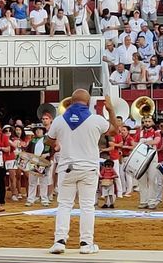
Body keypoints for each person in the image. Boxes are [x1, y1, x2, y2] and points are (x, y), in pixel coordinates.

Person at [47, 90, 117, 254]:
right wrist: (111, 110)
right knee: (87, 206)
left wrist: (59, 143)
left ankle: (59, 241)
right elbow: (114, 131)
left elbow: (49, 139)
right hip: (89, 167)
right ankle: (86, 243)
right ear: (88, 102)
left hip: (67, 167)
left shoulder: (59, 120)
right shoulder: (96, 120)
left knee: (64, 205)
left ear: (70, 101)